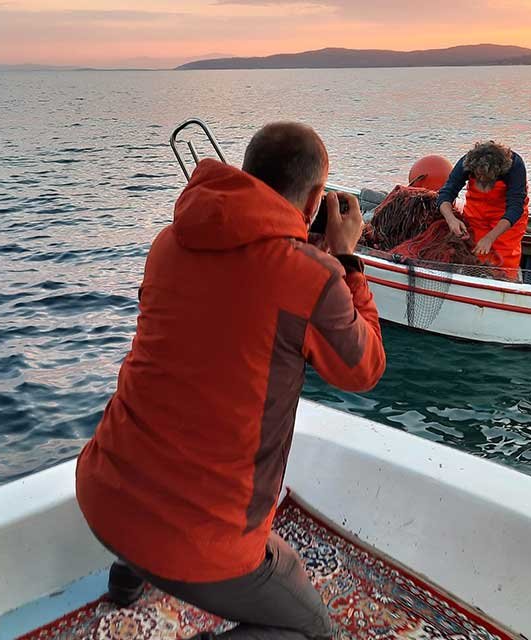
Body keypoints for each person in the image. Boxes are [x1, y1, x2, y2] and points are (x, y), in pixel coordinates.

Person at [75, 122, 387, 639]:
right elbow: (365, 369)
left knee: (172, 424)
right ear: (314, 202)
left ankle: (126, 582)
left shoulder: (168, 243)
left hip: (103, 491)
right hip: (198, 540)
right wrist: (347, 259)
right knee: (312, 629)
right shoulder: (312, 277)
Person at [436, 141, 529, 275]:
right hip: (476, 214)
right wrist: (451, 220)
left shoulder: (514, 166)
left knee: (505, 260)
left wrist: (490, 238)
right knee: (476, 254)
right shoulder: (467, 162)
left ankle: (506, 284)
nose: (480, 178)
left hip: (506, 219)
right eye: (477, 175)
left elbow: (515, 208)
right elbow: (445, 194)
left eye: (485, 177)